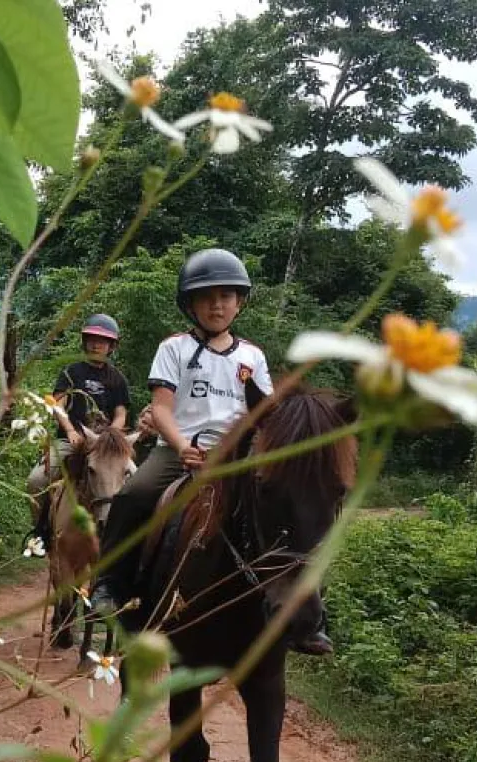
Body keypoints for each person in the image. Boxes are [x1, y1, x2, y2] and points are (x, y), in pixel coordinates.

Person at [88, 248, 333, 655]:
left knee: (291, 509)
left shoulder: (252, 357)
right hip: (179, 452)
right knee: (133, 494)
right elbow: (162, 408)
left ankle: (311, 616)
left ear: (239, 302)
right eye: (206, 297)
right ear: (190, 304)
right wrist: (182, 445)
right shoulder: (174, 348)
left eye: (226, 296)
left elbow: (264, 416)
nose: (217, 305)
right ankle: (110, 583)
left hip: (235, 458)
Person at [25, 314, 131, 549]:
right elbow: (57, 405)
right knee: (36, 481)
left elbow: (121, 414)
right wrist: (71, 430)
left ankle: (123, 538)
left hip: (103, 446)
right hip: (70, 441)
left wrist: (109, 437)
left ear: (111, 346)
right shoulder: (71, 372)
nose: (96, 345)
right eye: (92, 339)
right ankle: (41, 533)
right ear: (84, 342)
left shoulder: (117, 379)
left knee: (134, 479)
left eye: (102, 341)